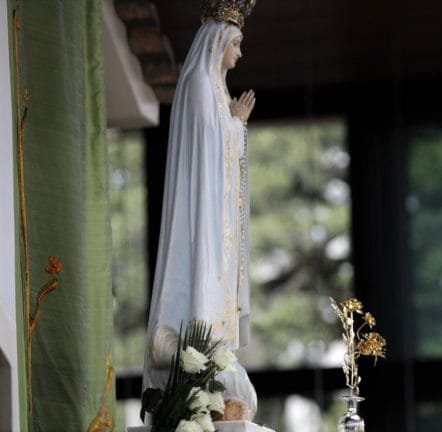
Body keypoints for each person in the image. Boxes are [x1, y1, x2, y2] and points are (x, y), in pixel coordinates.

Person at [142, 0, 258, 420]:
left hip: (216, 221)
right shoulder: (196, 84)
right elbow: (204, 154)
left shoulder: (216, 89)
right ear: (219, 41)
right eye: (237, 44)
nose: (239, 54)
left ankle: (212, 364)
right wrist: (236, 125)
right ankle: (195, 364)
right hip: (200, 221)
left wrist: (233, 124)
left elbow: (220, 154)